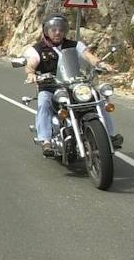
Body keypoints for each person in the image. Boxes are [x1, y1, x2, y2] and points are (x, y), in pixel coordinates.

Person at [23, 14, 123, 156]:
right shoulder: (37, 49)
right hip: (51, 87)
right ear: (46, 31)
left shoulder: (75, 45)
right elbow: (31, 63)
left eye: (61, 29)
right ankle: (46, 140)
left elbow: (88, 56)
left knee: (98, 99)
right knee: (43, 103)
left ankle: (110, 135)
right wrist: (31, 73)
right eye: (54, 29)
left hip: (73, 85)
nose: (57, 32)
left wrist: (100, 64)